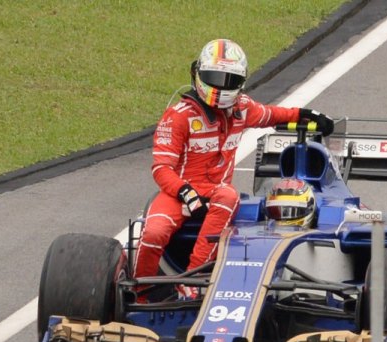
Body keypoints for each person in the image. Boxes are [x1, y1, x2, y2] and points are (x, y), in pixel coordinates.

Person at [134, 38, 336, 288]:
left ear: (240, 82)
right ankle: (137, 292)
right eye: (213, 77)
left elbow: (272, 114)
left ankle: (192, 280)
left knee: (228, 197)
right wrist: (184, 191)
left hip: (217, 194)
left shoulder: (242, 108)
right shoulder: (178, 116)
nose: (220, 86)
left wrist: (304, 115)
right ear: (198, 73)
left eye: (228, 80)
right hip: (177, 192)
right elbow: (161, 168)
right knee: (153, 232)